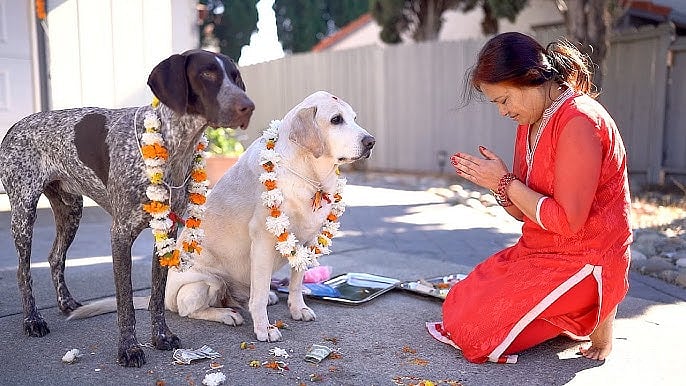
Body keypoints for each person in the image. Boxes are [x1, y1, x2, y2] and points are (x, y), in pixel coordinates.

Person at [427, 32, 632, 364]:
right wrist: (496, 184)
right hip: (541, 249)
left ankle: (593, 310)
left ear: (529, 78)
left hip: (585, 257)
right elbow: (525, 214)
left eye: (504, 100)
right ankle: (561, 314)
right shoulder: (531, 120)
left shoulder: (579, 120)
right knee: (459, 302)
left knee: (473, 330)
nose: (503, 112)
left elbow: (567, 221)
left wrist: (506, 182)